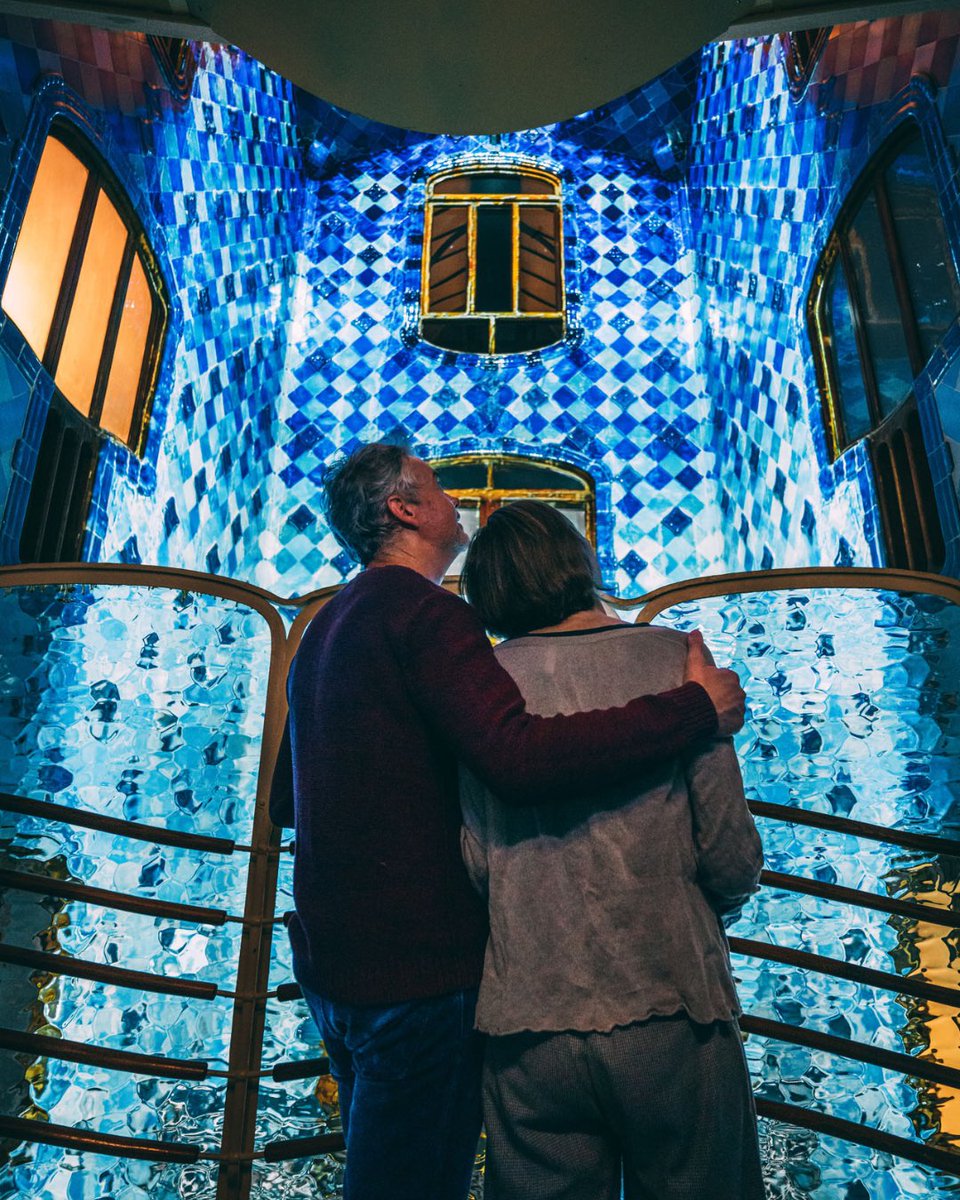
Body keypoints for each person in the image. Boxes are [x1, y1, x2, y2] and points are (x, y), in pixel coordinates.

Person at [269, 443, 747, 1200]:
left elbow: (283, 803)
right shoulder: (428, 614)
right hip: (417, 976)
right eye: (433, 484)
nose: (450, 497)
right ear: (404, 508)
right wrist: (694, 708)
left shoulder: (322, 628)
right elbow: (517, 757)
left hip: (335, 971)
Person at [459, 500, 765, 1200]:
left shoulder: (481, 685)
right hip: (670, 1001)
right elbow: (729, 852)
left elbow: (475, 861)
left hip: (527, 1021)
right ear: (578, 561)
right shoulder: (672, 662)